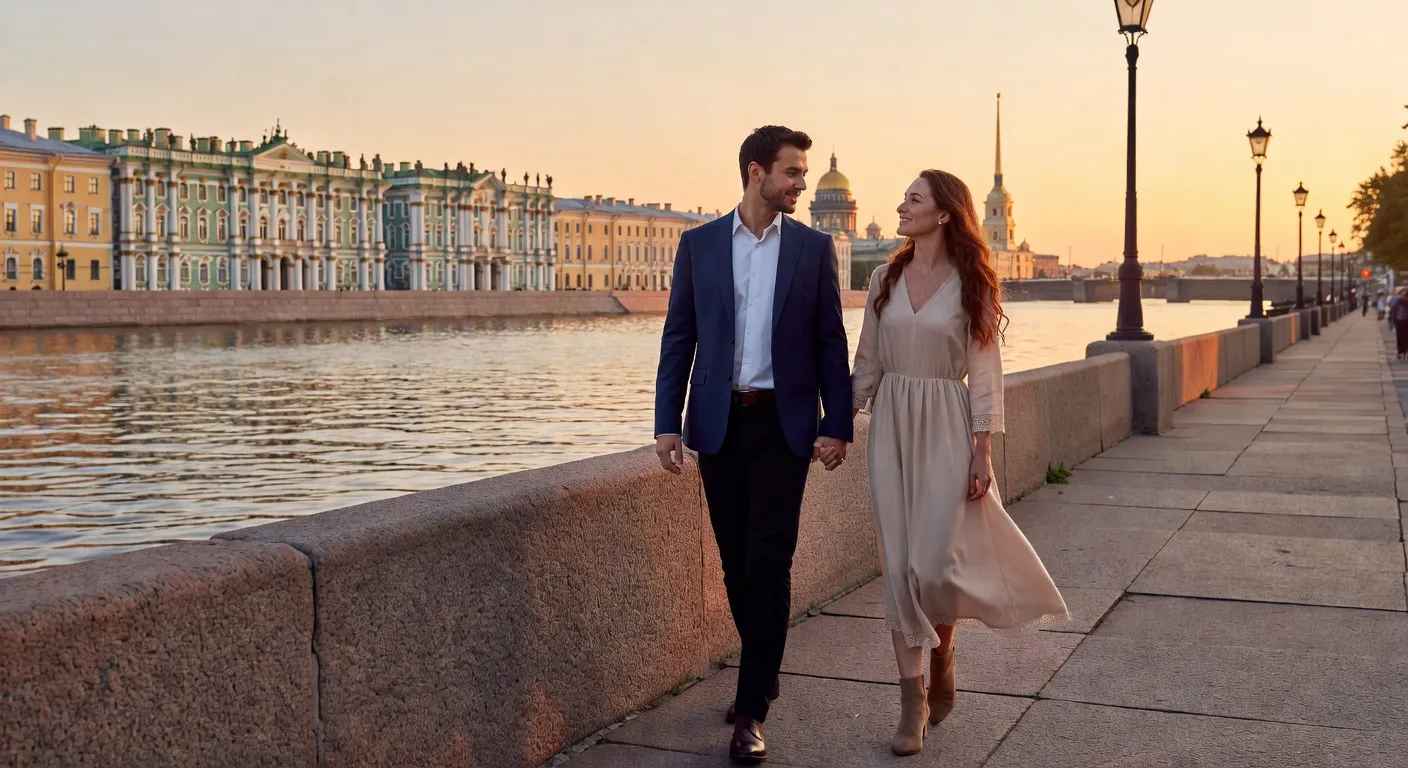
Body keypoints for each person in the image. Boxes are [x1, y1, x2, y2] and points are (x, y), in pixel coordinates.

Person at [849, 170, 1067, 756]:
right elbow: (867, 362)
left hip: (946, 423)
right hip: (892, 425)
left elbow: (986, 372)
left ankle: (943, 654)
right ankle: (911, 701)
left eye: (913, 199)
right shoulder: (884, 279)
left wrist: (982, 448)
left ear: (944, 214)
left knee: (936, 567)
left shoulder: (972, 283)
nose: (901, 206)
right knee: (899, 567)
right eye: (903, 198)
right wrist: (836, 426)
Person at [653, 125, 853, 765]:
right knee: (736, 564)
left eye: (804, 174)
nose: (801, 184)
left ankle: (750, 711)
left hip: (783, 428)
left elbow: (830, 342)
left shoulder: (813, 248)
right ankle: (764, 663)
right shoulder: (700, 245)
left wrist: (836, 423)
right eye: (793, 172)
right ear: (755, 171)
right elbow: (679, 337)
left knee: (769, 562)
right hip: (719, 425)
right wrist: (666, 422)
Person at [1394, 289, 1408, 360]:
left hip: (1400, 320)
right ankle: (1404, 351)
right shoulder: (1401, 300)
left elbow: (1393, 309)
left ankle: (1401, 352)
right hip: (1403, 320)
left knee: (1400, 336)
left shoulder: (1399, 300)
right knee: (1405, 336)